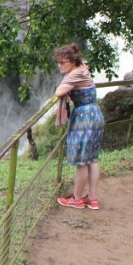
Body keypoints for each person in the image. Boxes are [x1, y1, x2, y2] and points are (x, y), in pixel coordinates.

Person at [53, 43, 105, 209]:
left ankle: (76, 200)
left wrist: (64, 85)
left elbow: (59, 92)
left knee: (82, 161)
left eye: (63, 62)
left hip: (85, 118)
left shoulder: (74, 74)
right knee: (92, 159)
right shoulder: (83, 67)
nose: (59, 66)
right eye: (58, 62)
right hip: (95, 114)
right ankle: (93, 199)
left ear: (73, 61)